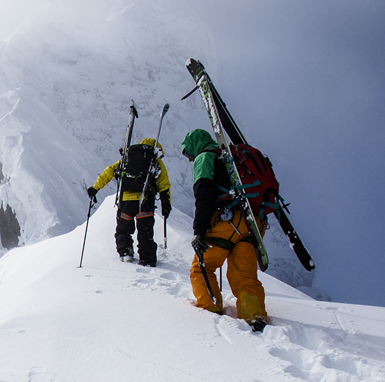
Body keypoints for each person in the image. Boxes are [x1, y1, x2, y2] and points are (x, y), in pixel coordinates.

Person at [180, 128, 269, 331]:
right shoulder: (230, 159)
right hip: (251, 223)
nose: (189, 159)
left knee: (201, 268)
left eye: (188, 152)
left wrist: (199, 231)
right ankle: (254, 316)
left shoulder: (205, 157)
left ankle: (210, 310)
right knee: (245, 276)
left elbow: (203, 196)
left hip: (226, 222)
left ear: (196, 145)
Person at [84, 138, 172, 266]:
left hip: (126, 201)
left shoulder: (127, 159)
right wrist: (166, 204)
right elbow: (164, 184)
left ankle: (126, 254)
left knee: (123, 230)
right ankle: (147, 259)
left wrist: (95, 188)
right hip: (145, 201)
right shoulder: (154, 161)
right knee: (145, 232)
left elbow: (109, 171)